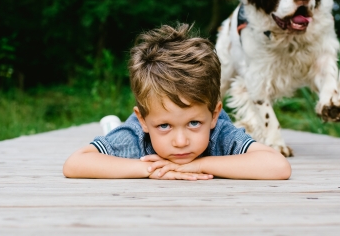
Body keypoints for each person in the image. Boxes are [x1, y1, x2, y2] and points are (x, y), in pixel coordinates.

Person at [63, 24, 291, 180]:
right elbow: (75, 164)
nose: (181, 142)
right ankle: (112, 127)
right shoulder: (135, 134)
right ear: (143, 120)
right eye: (164, 126)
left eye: (194, 124)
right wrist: (149, 169)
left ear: (213, 114)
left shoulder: (219, 130)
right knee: (115, 142)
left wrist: (198, 165)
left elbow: (278, 166)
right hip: (133, 130)